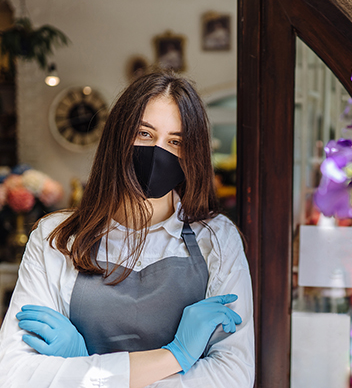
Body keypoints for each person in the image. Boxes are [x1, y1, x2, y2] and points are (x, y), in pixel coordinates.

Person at [0, 70, 255, 387]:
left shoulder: (216, 239)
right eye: (144, 134)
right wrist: (174, 357)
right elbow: (14, 374)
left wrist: (84, 367)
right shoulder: (55, 237)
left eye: (176, 141)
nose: (158, 151)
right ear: (118, 137)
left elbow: (232, 377)